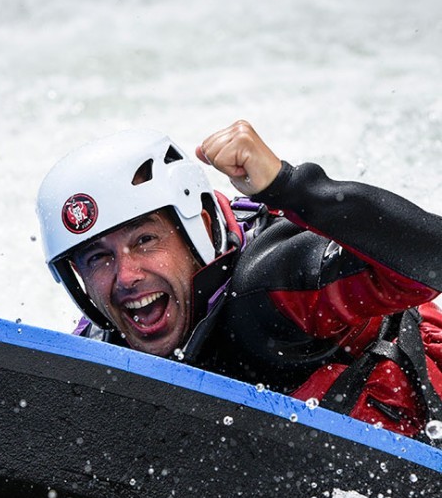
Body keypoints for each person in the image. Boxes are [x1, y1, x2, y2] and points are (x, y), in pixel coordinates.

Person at [36, 120, 442, 441]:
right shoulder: (102, 343)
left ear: (201, 227)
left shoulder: (274, 284)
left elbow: (433, 259)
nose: (126, 276)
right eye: (98, 259)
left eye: (145, 241)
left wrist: (289, 185)